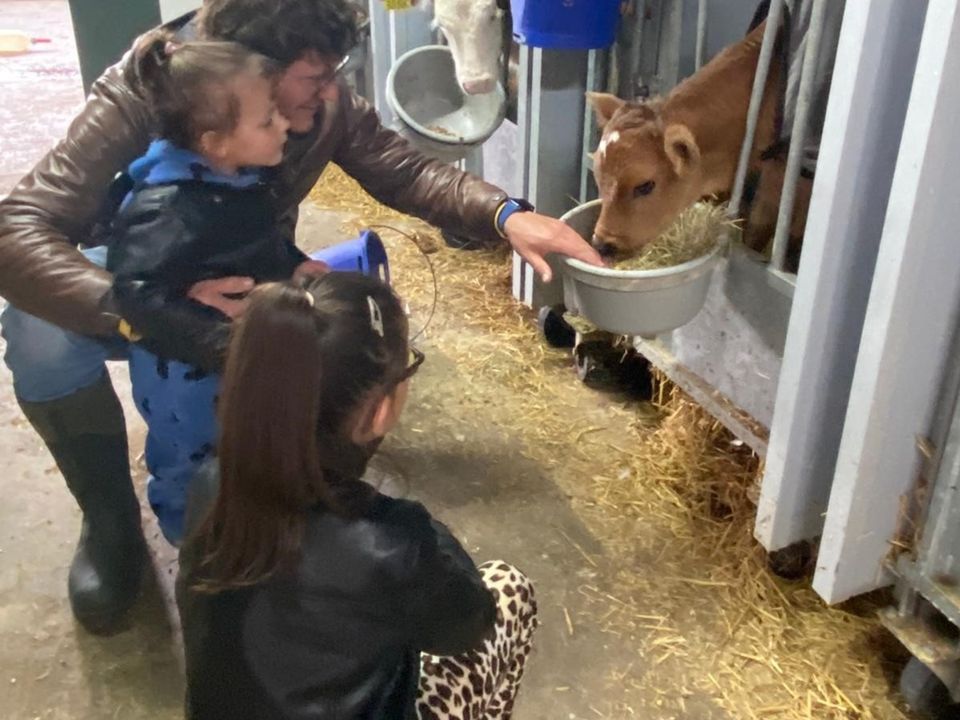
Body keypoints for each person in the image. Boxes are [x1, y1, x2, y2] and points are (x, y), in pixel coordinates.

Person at [0, 0, 599, 635]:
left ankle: (301, 491)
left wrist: (505, 215)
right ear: (254, 69)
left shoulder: (319, 102)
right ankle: (111, 521)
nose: (332, 92)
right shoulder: (151, 84)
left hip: (252, 266)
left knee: (341, 323)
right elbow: (17, 229)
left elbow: (403, 169)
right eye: (316, 77)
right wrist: (142, 310)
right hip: (143, 275)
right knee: (39, 333)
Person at [177, 273, 539, 719]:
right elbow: (467, 624)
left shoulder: (210, 483)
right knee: (511, 588)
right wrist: (421, 530)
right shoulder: (391, 544)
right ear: (381, 410)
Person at [106, 32, 328, 546]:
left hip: (237, 357)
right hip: (184, 375)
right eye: (267, 120)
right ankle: (196, 548)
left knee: (245, 444)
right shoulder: (167, 208)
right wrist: (221, 341)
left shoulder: (238, 178)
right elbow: (135, 293)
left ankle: (252, 526)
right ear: (215, 142)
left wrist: (293, 265)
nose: (283, 126)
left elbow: (257, 241)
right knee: (193, 464)